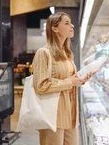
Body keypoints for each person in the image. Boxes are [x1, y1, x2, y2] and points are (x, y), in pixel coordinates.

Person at [32, 12, 93, 145]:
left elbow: (69, 80)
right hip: (53, 112)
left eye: (71, 23)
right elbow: (40, 85)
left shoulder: (67, 54)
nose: (72, 26)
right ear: (54, 28)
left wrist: (80, 79)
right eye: (67, 23)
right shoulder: (43, 53)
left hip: (71, 110)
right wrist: (69, 82)